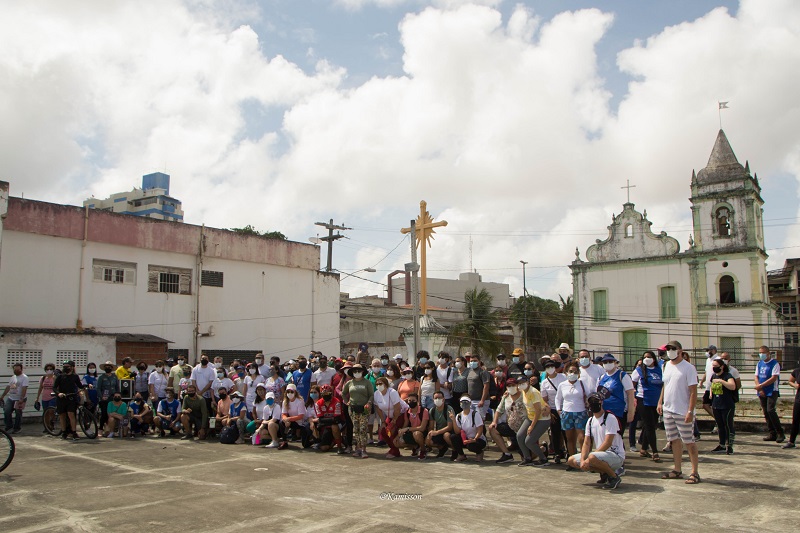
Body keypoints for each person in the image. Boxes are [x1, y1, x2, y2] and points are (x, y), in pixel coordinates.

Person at [658, 340, 701, 485]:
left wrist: (690, 410)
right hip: (668, 410)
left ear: (680, 350)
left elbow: (693, 391)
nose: (670, 351)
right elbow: (665, 385)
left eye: (673, 348)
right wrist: (660, 402)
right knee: (674, 441)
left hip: (683, 411)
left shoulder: (688, 368)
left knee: (689, 441)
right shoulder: (666, 366)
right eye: (668, 349)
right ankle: (677, 469)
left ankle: (695, 472)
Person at [566, 392, 625, 490]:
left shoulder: (610, 418)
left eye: (596, 401)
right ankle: (604, 473)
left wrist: (589, 459)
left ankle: (614, 477)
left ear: (601, 402)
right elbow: (586, 442)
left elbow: (608, 442)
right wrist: (582, 461)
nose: (593, 404)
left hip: (615, 455)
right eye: (591, 402)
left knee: (592, 457)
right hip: (601, 455)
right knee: (571, 460)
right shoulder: (590, 421)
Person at [631, 351, 662, 462]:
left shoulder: (660, 370)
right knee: (649, 426)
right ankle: (655, 451)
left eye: (649, 357)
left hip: (656, 401)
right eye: (645, 357)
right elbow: (632, 385)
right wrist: (633, 398)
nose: (647, 359)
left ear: (654, 359)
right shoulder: (639, 371)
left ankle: (644, 448)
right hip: (643, 401)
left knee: (651, 424)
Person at [555, 361, 590, 461]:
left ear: (578, 373)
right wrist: (559, 410)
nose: (572, 374)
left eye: (575, 372)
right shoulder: (562, 385)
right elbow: (558, 398)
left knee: (582, 438)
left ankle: (584, 459)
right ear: (566, 372)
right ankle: (572, 460)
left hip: (581, 412)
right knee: (570, 439)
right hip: (566, 413)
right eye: (570, 371)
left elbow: (589, 395)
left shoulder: (582, 384)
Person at [597, 353, 635, 437]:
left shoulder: (622, 375)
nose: (607, 364)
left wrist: (631, 412)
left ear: (615, 363)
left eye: (610, 361)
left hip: (619, 412)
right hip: (605, 412)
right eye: (605, 362)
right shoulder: (602, 378)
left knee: (617, 437)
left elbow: (630, 394)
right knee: (605, 437)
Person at [489, 377, 525, 463]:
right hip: (511, 426)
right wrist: (494, 421)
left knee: (526, 458)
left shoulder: (524, 395)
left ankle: (542, 449)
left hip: (524, 427)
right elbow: (499, 410)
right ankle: (507, 454)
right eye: (509, 386)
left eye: (513, 385)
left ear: (517, 386)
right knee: (492, 429)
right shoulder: (505, 397)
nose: (511, 387)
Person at [342, 363, 374, 458]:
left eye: (359, 371)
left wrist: (369, 403)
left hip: (364, 409)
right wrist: (346, 401)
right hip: (353, 408)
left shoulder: (367, 382)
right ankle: (358, 448)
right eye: (355, 371)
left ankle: (364, 449)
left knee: (363, 428)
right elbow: (343, 393)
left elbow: (371, 395)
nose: (357, 372)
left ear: (363, 372)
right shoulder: (349, 383)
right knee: (356, 428)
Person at [517, 376, 550, 466]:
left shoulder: (533, 392)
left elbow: (538, 411)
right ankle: (527, 458)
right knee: (520, 436)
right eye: (519, 383)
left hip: (542, 419)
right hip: (530, 417)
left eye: (523, 382)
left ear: (528, 382)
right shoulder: (523, 391)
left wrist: (531, 426)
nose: (521, 385)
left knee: (529, 441)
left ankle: (543, 458)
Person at [755, 345, 785, 443]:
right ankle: (772, 433)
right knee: (766, 412)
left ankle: (780, 432)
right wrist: (759, 388)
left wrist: (761, 385)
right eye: (760, 353)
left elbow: (773, 378)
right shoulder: (759, 363)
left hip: (772, 390)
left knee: (771, 410)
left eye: (763, 353)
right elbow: (756, 376)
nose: (761, 355)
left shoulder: (774, 364)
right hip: (761, 391)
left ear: (768, 353)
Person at [540, 358, 567, 462]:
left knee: (566, 432)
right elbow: (544, 399)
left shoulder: (563, 377)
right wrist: (550, 412)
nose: (550, 369)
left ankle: (569, 452)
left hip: (565, 408)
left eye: (552, 366)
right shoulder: (545, 383)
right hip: (553, 409)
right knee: (555, 433)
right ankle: (557, 453)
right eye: (547, 367)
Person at [447, 394, 487, 462]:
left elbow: (480, 429)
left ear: (470, 403)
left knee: (471, 446)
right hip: (467, 439)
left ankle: (479, 452)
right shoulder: (459, 416)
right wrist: (453, 420)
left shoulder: (475, 414)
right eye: (462, 402)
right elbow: (457, 432)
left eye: (466, 402)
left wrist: (475, 439)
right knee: (453, 437)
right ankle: (461, 455)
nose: (464, 404)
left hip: (478, 439)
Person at [709, 359, 737, 454]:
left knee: (728, 425)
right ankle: (721, 444)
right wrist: (711, 393)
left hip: (727, 405)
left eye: (716, 366)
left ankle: (729, 445)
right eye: (713, 365)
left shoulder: (727, 376)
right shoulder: (713, 375)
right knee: (720, 425)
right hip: (716, 404)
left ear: (721, 366)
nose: (714, 368)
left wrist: (721, 381)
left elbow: (732, 386)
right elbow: (712, 384)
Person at [374, 376, 406, 458]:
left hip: (401, 414)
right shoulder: (376, 394)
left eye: (380, 383)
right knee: (383, 431)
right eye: (377, 384)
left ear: (385, 384)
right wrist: (383, 422)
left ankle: (395, 451)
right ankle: (393, 448)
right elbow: (378, 409)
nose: (378, 385)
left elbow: (397, 407)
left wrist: (394, 420)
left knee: (392, 431)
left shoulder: (392, 392)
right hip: (389, 416)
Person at [54, 360, 84, 440]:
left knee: (71, 414)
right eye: (64, 366)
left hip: (71, 397)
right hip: (62, 398)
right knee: (62, 415)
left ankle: (73, 432)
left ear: (72, 367)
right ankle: (64, 432)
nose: (66, 368)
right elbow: (54, 387)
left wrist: (87, 386)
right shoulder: (60, 376)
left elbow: (80, 385)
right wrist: (58, 393)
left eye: (68, 366)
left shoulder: (75, 376)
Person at [393, 392, 429, 459]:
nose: (411, 402)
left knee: (417, 434)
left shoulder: (424, 411)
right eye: (409, 400)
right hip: (411, 432)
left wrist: (408, 429)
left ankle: (423, 450)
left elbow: (422, 428)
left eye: (413, 400)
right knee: (397, 442)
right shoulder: (407, 412)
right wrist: (398, 436)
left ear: (417, 401)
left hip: (422, 433)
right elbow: (405, 424)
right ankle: (415, 447)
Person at [314, 384, 346, 453]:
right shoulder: (318, 403)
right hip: (327, 425)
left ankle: (339, 447)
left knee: (334, 426)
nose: (325, 395)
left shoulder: (336, 402)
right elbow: (320, 419)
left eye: (327, 393)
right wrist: (327, 421)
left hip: (340, 423)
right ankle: (334, 441)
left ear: (331, 393)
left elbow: (337, 419)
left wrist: (324, 421)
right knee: (323, 448)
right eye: (323, 394)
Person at [280, 383, 311, 448]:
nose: (290, 393)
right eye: (288, 392)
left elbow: (301, 416)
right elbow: (283, 414)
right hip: (292, 421)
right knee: (281, 423)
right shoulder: (285, 401)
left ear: (295, 392)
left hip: (302, 423)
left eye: (291, 391)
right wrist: (285, 420)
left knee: (305, 445)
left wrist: (288, 419)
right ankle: (285, 442)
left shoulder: (300, 401)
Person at [426, 390, 455, 458]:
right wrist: (430, 433)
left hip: (450, 431)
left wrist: (437, 432)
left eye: (439, 398)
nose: (437, 400)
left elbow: (450, 427)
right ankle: (442, 448)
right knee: (428, 441)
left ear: (443, 399)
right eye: (436, 398)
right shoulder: (432, 411)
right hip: (439, 432)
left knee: (446, 435)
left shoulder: (449, 409)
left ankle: (455, 450)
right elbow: (431, 426)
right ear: (433, 400)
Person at [1, 363, 28, 433]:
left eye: (18, 369)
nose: (16, 370)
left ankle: (17, 428)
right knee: (7, 411)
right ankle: (9, 426)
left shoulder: (24, 377)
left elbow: (24, 388)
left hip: (19, 398)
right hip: (11, 397)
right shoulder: (13, 377)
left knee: (18, 413)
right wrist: (2, 396)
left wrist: (21, 398)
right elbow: (8, 387)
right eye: (15, 369)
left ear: (21, 369)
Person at [699, 345, 718, 431]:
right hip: (708, 386)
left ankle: (719, 422)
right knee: (705, 404)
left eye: (708, 350)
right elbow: (707, 372)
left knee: (715, 406)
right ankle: (718, 419)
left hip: (715, 387)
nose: (707, 352)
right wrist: (702, 381)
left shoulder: (718, 359)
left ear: (713, 350)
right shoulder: (708, 360)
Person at [466, 354, 490, 420]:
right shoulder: (469, 371)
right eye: (471, 361)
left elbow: (486, 386)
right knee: (472, 420)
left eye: (475, 361)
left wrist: (482, 400)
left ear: (479, 362)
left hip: (480, 401)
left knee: (480, 420)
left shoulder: (483, 372)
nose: (472, 362)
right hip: (471, 400)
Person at [96, 361, 118, 431]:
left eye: (109, 367)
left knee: (113, 413)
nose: (107, 368)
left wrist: (117, 396)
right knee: (104, 414)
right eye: (106, 367)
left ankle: (111, 428)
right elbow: (98, 388)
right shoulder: (101, 377)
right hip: (104, 398)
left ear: (111, 368)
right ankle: (101, 428)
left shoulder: (114, 377)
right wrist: (101, 397)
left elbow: (117, 387)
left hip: (113, 398)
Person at [784, 365, 800, 449]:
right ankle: (791, 441)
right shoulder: (797, 371)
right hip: (799, 399)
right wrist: (795, 385)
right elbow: (790, 381)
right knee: (796, 420)